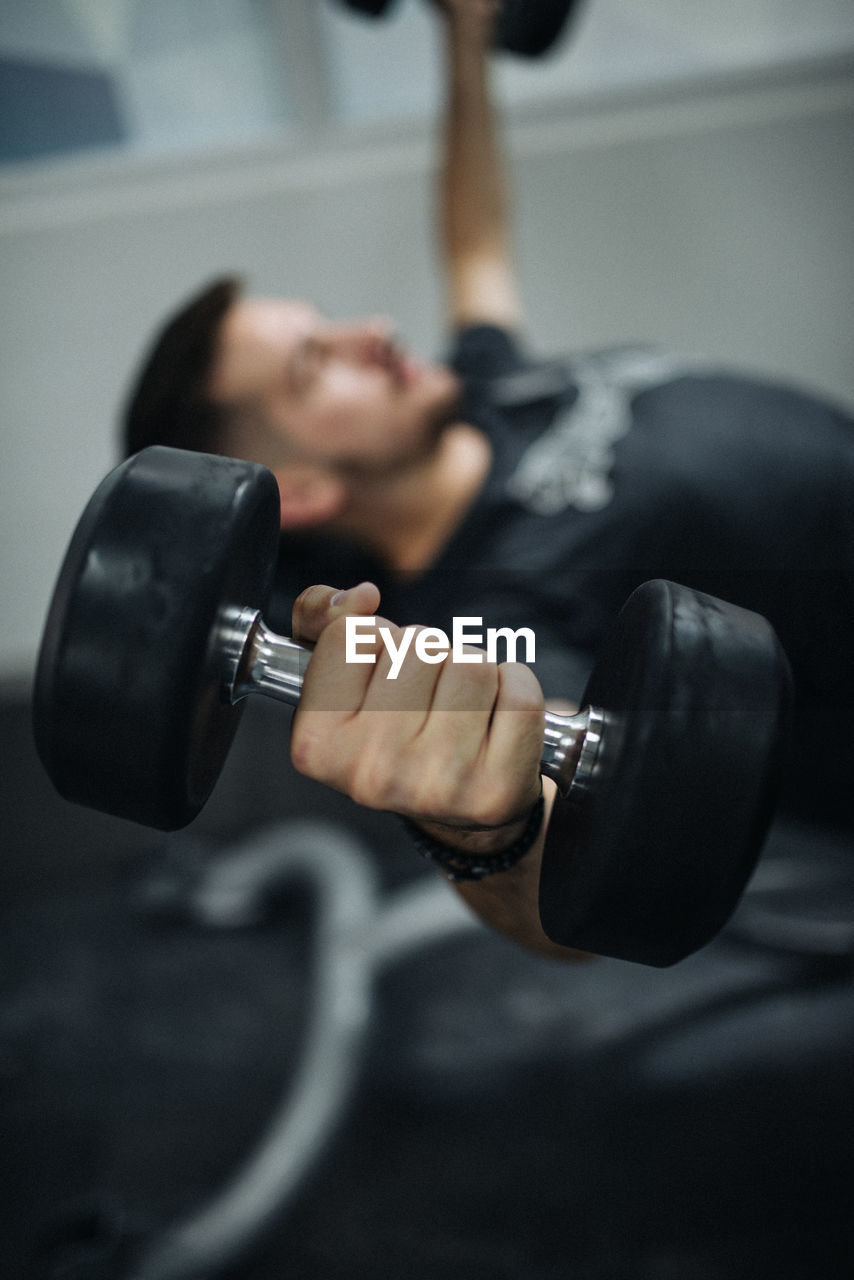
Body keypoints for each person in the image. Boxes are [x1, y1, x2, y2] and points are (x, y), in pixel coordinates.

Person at [121, 1, 854, 955]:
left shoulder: (482, 391)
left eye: (332, 320)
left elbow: (476, 238)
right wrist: (480, 832)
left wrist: (463, 40)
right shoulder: (485, 615)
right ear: (295, 487)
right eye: (317, 363)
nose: (373, 332)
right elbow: (556, 902)